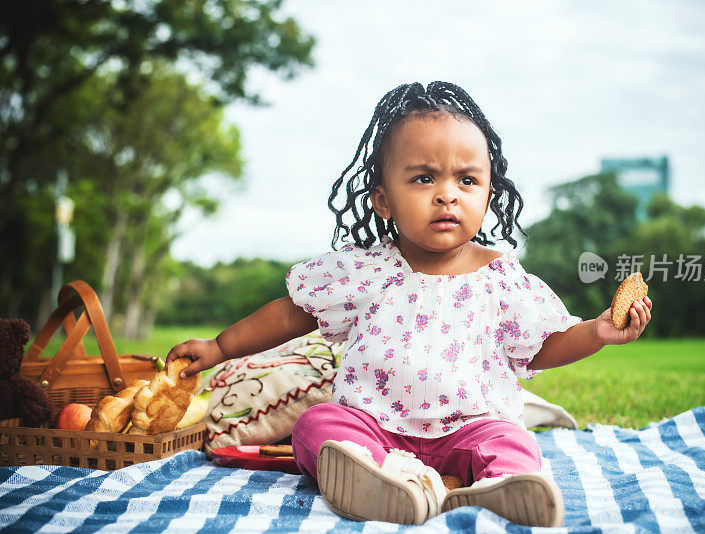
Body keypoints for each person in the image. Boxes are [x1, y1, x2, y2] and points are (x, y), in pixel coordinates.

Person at [166, 81, 653, 527]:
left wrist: (597, 331)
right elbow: (291, 313)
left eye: (467, 180)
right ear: (383, 199)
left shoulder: (501, 278)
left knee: (513, 441)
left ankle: (497, 489)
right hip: (375, 429)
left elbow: (541, 347)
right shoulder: (364, 271)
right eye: (423, 179)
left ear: (488, 193)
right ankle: (382, 484)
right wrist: (219, 345)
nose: (446, 195)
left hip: (470, 430)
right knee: (317, 425)